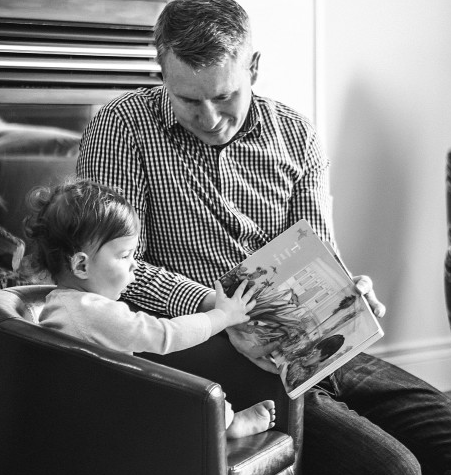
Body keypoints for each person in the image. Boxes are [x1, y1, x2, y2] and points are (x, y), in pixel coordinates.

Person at [76, 0, 451, 475]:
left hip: (309, 342)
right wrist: (217, 307)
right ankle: (286, 473)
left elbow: (317, 251)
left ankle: (319, 438)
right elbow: (116, 268)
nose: (209, 118)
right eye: (188, 101)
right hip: (210, 350)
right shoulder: (121, 128)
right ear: (160, 69)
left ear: (254, 67)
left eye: (225, 96)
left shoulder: (295, 134)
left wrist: (347, 291)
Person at [22, 178, 275, 440]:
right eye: (124, 256)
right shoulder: (90, 311)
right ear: (81, 266)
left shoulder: (61, 304)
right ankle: (229, 424)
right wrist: (221, 316)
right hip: (109, 421)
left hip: (98, 410)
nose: (134, 266)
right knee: (197, 396)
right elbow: (166, 334)